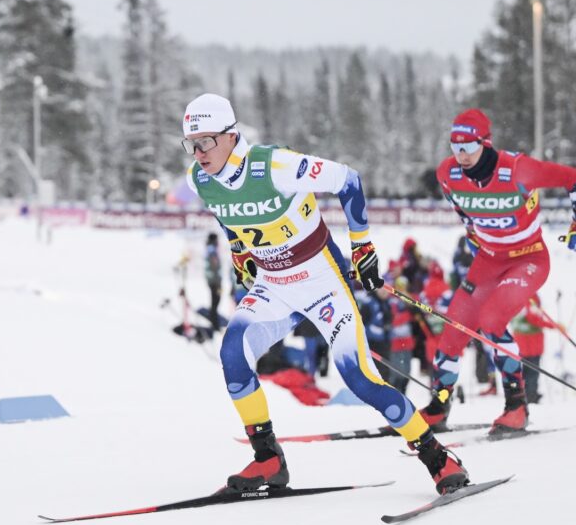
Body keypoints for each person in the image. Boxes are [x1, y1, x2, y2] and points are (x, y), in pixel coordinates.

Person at [182, 93, 468, 494]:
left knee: (359, 377)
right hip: (273, 285)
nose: (198, 153)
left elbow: (348, 180)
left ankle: (437, 457)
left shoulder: (275, 166)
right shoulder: (201, 180)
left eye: (206, 141)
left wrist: (363, 246)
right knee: (233, 354)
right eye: (190, 144)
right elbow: (228, 215)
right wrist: (240, 250)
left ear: (231, 135)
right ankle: (268, 459)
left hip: (321, 283)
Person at [419, 108, 576, 434]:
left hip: (528, 259)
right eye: (455, 147)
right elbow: (460, 206)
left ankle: (516, 407)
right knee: (454, 330)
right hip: (488, 260)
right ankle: (439, 407)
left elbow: (572, 177)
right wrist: (473, 234)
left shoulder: (518, 170)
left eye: (469, 147)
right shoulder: (448, 173)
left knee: (492, 320)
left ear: (486, 142)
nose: (462, 156)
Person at [509, 294, 558, 404]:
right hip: (531, 344)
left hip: (522, 343)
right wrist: (553, 325)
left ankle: (526, 394)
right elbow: (534, 319)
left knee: (526, 371)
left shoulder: (517, 295)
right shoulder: (530, 297)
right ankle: (531, 395)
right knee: (532, 371)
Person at [204, 233, 224, 330]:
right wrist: (218, 281)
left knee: (215, 301)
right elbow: (214, 264)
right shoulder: (212, 249)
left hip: (213, 280)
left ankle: (214, 323)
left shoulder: (209, 248)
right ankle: (214, 324)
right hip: (215, 282)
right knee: (216, 301)